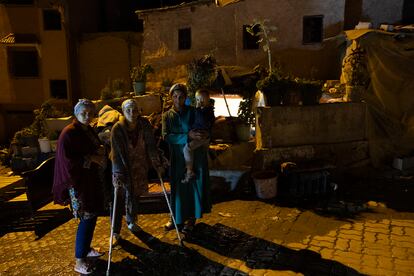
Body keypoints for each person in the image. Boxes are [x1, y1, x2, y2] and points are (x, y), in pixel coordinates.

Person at [52, 99, 106, 275]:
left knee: (92, 215)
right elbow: (68, 161)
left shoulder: (86, 129)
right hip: (78, 183)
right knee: (86, 217)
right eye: (84, 113)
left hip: (90, 180)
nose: (87, 116)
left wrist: (99, 150)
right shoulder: (70, 133)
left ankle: (86, 249)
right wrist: (92, 159)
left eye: (90, 113)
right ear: (76, 113)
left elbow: (93, 146)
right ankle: (79, 260)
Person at [110, 99, 162, 244]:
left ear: (139, 111)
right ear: (123, 112)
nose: (132, 113)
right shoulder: (118, 129)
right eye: (128, 110)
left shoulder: (144, 124)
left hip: (139, 165)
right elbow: (116, 154)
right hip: (122, 167)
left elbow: (151, 145)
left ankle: (132, 221)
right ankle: (115, 231)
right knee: (119, 198)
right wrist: (118, 172)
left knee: (135, 195)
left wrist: (155, 161)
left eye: (134, 110)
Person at [162, 83, 211, 233]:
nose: (178, 100)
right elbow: (166, 136)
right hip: (177, 157)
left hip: (194, 155)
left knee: (192, 187)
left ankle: (191, 219)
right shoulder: (167, 116)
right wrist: (186, 136)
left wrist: (203, 135)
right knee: (178, 188)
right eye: (175, 97)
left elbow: (204, 126)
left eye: (181, 97)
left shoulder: (193, 112)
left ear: (185, 97)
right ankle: (175, 217)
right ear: (171, 98)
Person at [182, 89, 215, 183]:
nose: (200, 102)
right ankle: (211, 170)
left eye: (202, 100)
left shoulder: (208, 111)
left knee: (187, 149)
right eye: (198, 100)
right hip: (201, 135)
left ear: (208, 99)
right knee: (205, 153)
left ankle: (189, 171)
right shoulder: (202, 110)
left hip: (201, 135)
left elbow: (203, 122)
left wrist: (197, 109)